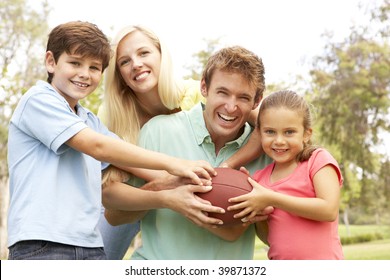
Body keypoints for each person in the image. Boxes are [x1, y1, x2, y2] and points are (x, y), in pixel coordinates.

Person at [6, 21, 217, 260]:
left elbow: (129, 159)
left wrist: (187, 182)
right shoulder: (39, 100)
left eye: (94, 67)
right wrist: (174, 163)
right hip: (43, 243)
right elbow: (98, 147)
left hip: (89, 245)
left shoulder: (88, 119)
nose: (84, 74)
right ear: (51, 62)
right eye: (75, 63)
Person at [97, 25, 262, 259]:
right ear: (119, 73)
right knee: (100, 254)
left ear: (162, 56)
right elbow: (112, 197)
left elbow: (267, 124)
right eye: (124, 61)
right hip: (134, 191)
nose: (136, 64)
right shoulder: (115, 115)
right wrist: (169, 190)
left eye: (144, 53)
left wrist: (226, 168)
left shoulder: (193, 93)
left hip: (164, 195)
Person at [229, 90, 344, 260]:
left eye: (289, 132)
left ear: (306, 134)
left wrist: (271, 198)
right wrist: (259, 215)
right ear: (259, 133)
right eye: (270, 132)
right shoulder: (259, 179)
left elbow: (328, 210)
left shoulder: (317, 160)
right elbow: (268, 238)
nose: (279, 140)